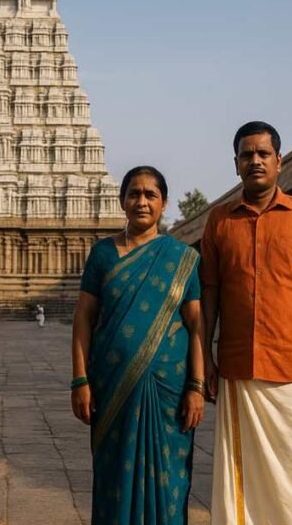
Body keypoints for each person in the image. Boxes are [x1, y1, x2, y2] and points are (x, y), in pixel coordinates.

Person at [201, 121, 292, 525]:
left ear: (280, 161)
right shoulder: (220, 221)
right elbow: (209, 293)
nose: (255, 161)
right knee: (239, 477)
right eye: (247, 155)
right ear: (236, 164)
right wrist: (205, 358)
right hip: (237, 368)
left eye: (264, 154)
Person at [71, 166, 207, 524]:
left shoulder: (182, 259)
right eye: (134, 194)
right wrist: (79, 380)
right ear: (122, 201)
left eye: (150, 195)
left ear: (164, 204)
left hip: (168, 391)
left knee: (169, 478)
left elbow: (196, 326)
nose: (142, 201)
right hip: (111, 386)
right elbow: (83, 318)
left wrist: (196, 386)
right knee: (114, 476)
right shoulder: (102, 254)